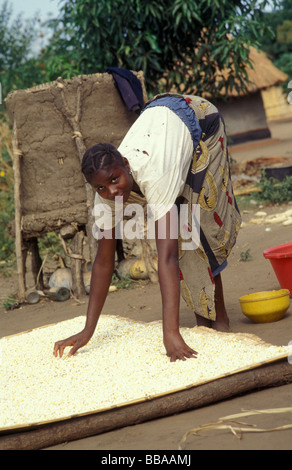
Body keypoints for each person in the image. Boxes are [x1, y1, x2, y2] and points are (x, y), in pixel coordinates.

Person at [54, 93, 241, 362]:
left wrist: (170, 333)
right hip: (162, 128)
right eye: (101, 188)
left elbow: (166, 256)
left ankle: (220, 323)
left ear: (126, 166)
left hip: (199, 122)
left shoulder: (154, 174)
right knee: (182, 233)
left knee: (198, 230)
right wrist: (87, 330)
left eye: (115, 179)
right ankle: (203, 325)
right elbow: (104, 262)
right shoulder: (104, 197)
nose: (111, 191)